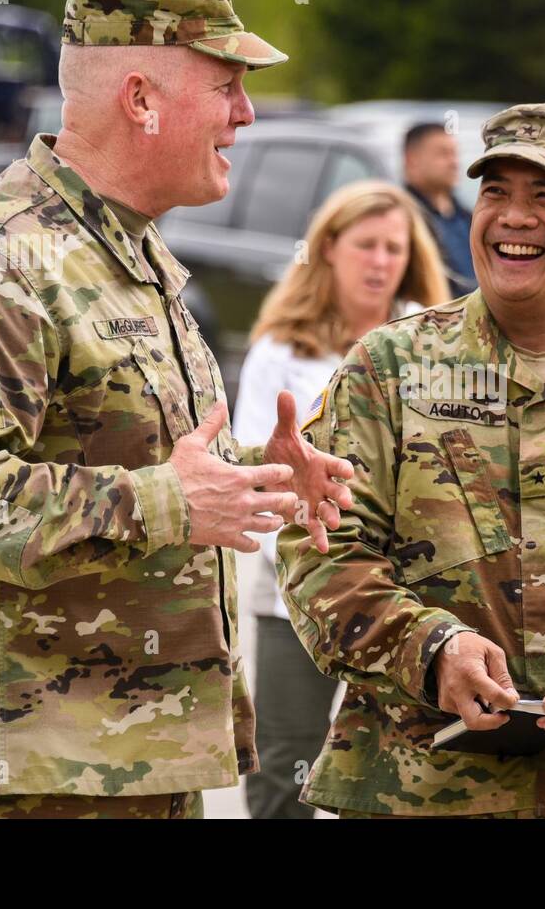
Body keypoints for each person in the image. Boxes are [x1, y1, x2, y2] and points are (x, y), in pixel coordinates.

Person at [0, 0, 354, 820]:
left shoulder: (128, 254)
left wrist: (247, 474)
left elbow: (122, 456)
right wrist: (170, 502)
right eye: (227, 87)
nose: (245, 115)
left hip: (129, 759)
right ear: (141, 98)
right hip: (21, 775)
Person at [278, 103, 545, 818]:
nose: (514, 217)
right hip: (413, 790)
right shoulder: (389, 367)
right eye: (496, 193)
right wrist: (429, 648)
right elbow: (320, 554)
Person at [233, 180, 450, 818]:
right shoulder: (283, 348)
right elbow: (257, 466)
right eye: (367, 245)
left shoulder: (432, 346)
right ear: (327, 249)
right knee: (282, 768)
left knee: (404, 767)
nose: (382, 262)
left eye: (395, 248)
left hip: (408, 597)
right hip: (293, 592)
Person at [404, 122, 477, 296]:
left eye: (455, 154)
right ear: (412, 160)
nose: (454, 162)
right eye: (443, 154)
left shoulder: (468, 217)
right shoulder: (403, 220)